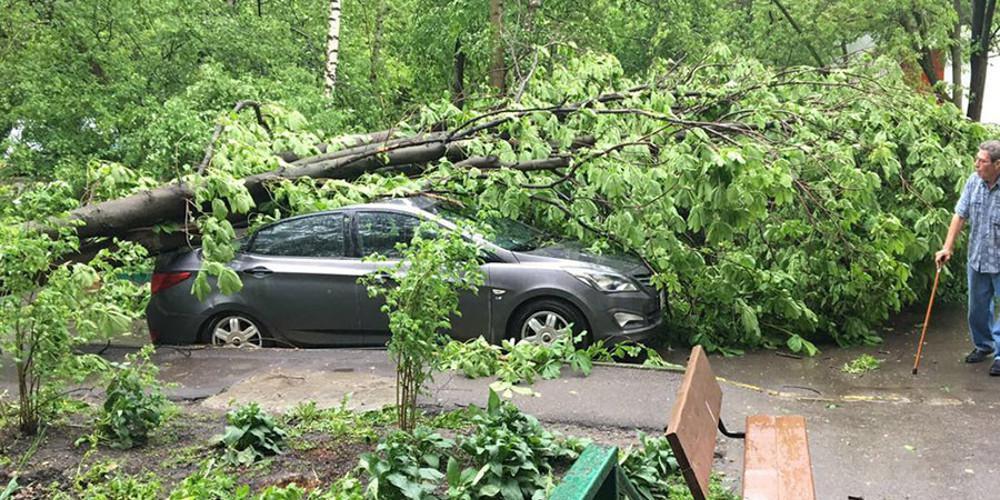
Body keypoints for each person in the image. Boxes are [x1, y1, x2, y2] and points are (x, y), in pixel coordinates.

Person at [936, 140, 1000, 375]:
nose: (976, 165)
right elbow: (959, 215)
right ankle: (984, 345)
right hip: (978, 258)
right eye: (977, 159)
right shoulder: (974, 182)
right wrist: (947, 247)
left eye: (982, 161)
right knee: (977, 308)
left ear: (997, 164)